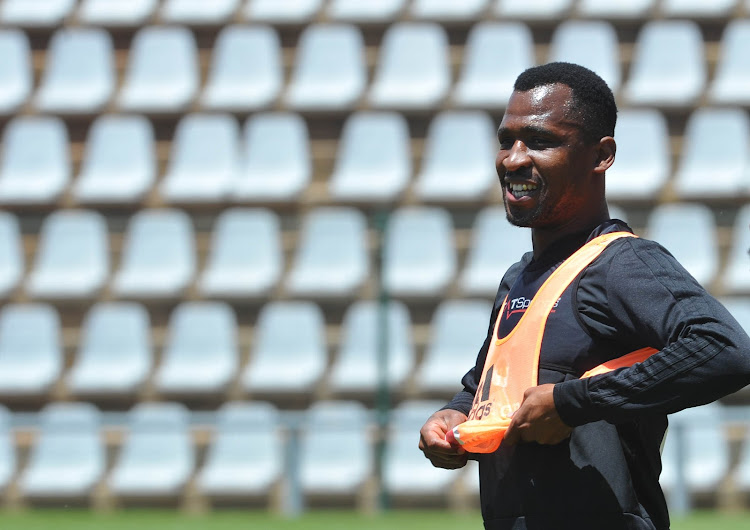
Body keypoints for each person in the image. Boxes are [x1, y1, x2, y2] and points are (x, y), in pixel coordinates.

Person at [418, 61, 750, 530]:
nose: (513, 158)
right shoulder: (518, 279)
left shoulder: (622, 264)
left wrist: (575, 403)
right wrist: (452, 415)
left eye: (540, 141)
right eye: (505, 140)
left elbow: (727, 351)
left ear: (601, 155)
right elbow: (487, 387)